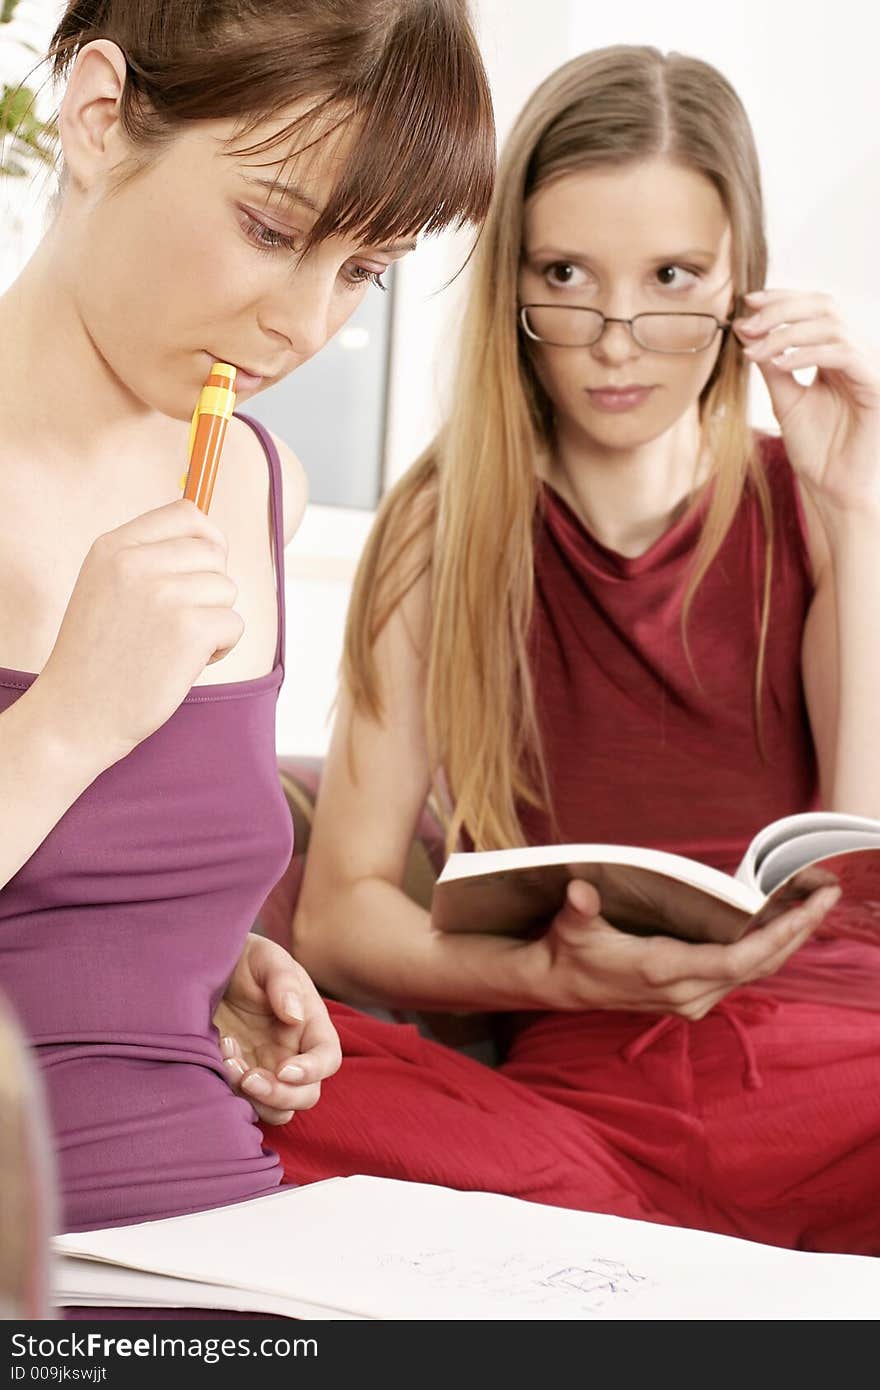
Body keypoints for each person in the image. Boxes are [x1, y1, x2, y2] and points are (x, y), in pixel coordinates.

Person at [259, 46, 880, 1256]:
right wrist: (562, 978)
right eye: (565, 275)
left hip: (836, 1071)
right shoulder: (446, 525)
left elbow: (858, 848)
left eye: (670, 277)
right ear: (512, 286)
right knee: (243, 1077)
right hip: (586, 1104)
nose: (614, 337)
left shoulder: (810, 499)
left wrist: (857, 512)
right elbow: (337, 921)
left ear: (738, 286)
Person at [0, 0, 494, 1265]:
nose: (307, 326)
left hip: (226, 1241)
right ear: (99, 119)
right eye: (271, 228)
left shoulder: (256, 481)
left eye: (359, 270)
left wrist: (212, 966)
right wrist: (61, 728)